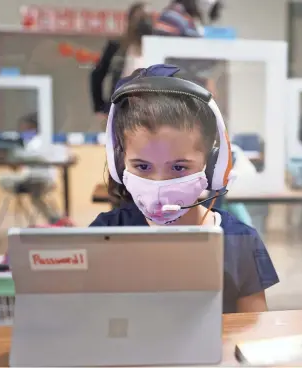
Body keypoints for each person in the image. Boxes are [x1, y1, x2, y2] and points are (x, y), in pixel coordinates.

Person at [90, 64, 279, 313]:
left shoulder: (240, 241)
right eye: (142, 166)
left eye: (179, 168)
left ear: (211, 166)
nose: (159, 184)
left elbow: (255, 333)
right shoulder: (104, 235)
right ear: (119, 163)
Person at [0, 113, 65, 225]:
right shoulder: (33, 142)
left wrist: (14, 156)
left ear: (33, 127)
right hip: (37, 179)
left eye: (25, 127)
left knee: (5, 180)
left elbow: (30, 157)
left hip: (39, 180)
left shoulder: (37, 143)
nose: (22, 130)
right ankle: (54, 219)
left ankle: (54, 219)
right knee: (35, 198)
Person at [90, 2, 152, 123]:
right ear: (130, 21)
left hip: (150, 109)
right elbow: (97, 75)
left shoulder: (155, 46)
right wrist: (100, 107)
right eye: (139, 18)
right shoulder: (117, 46)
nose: (143, 23)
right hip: (121, 107)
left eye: (146, 18)